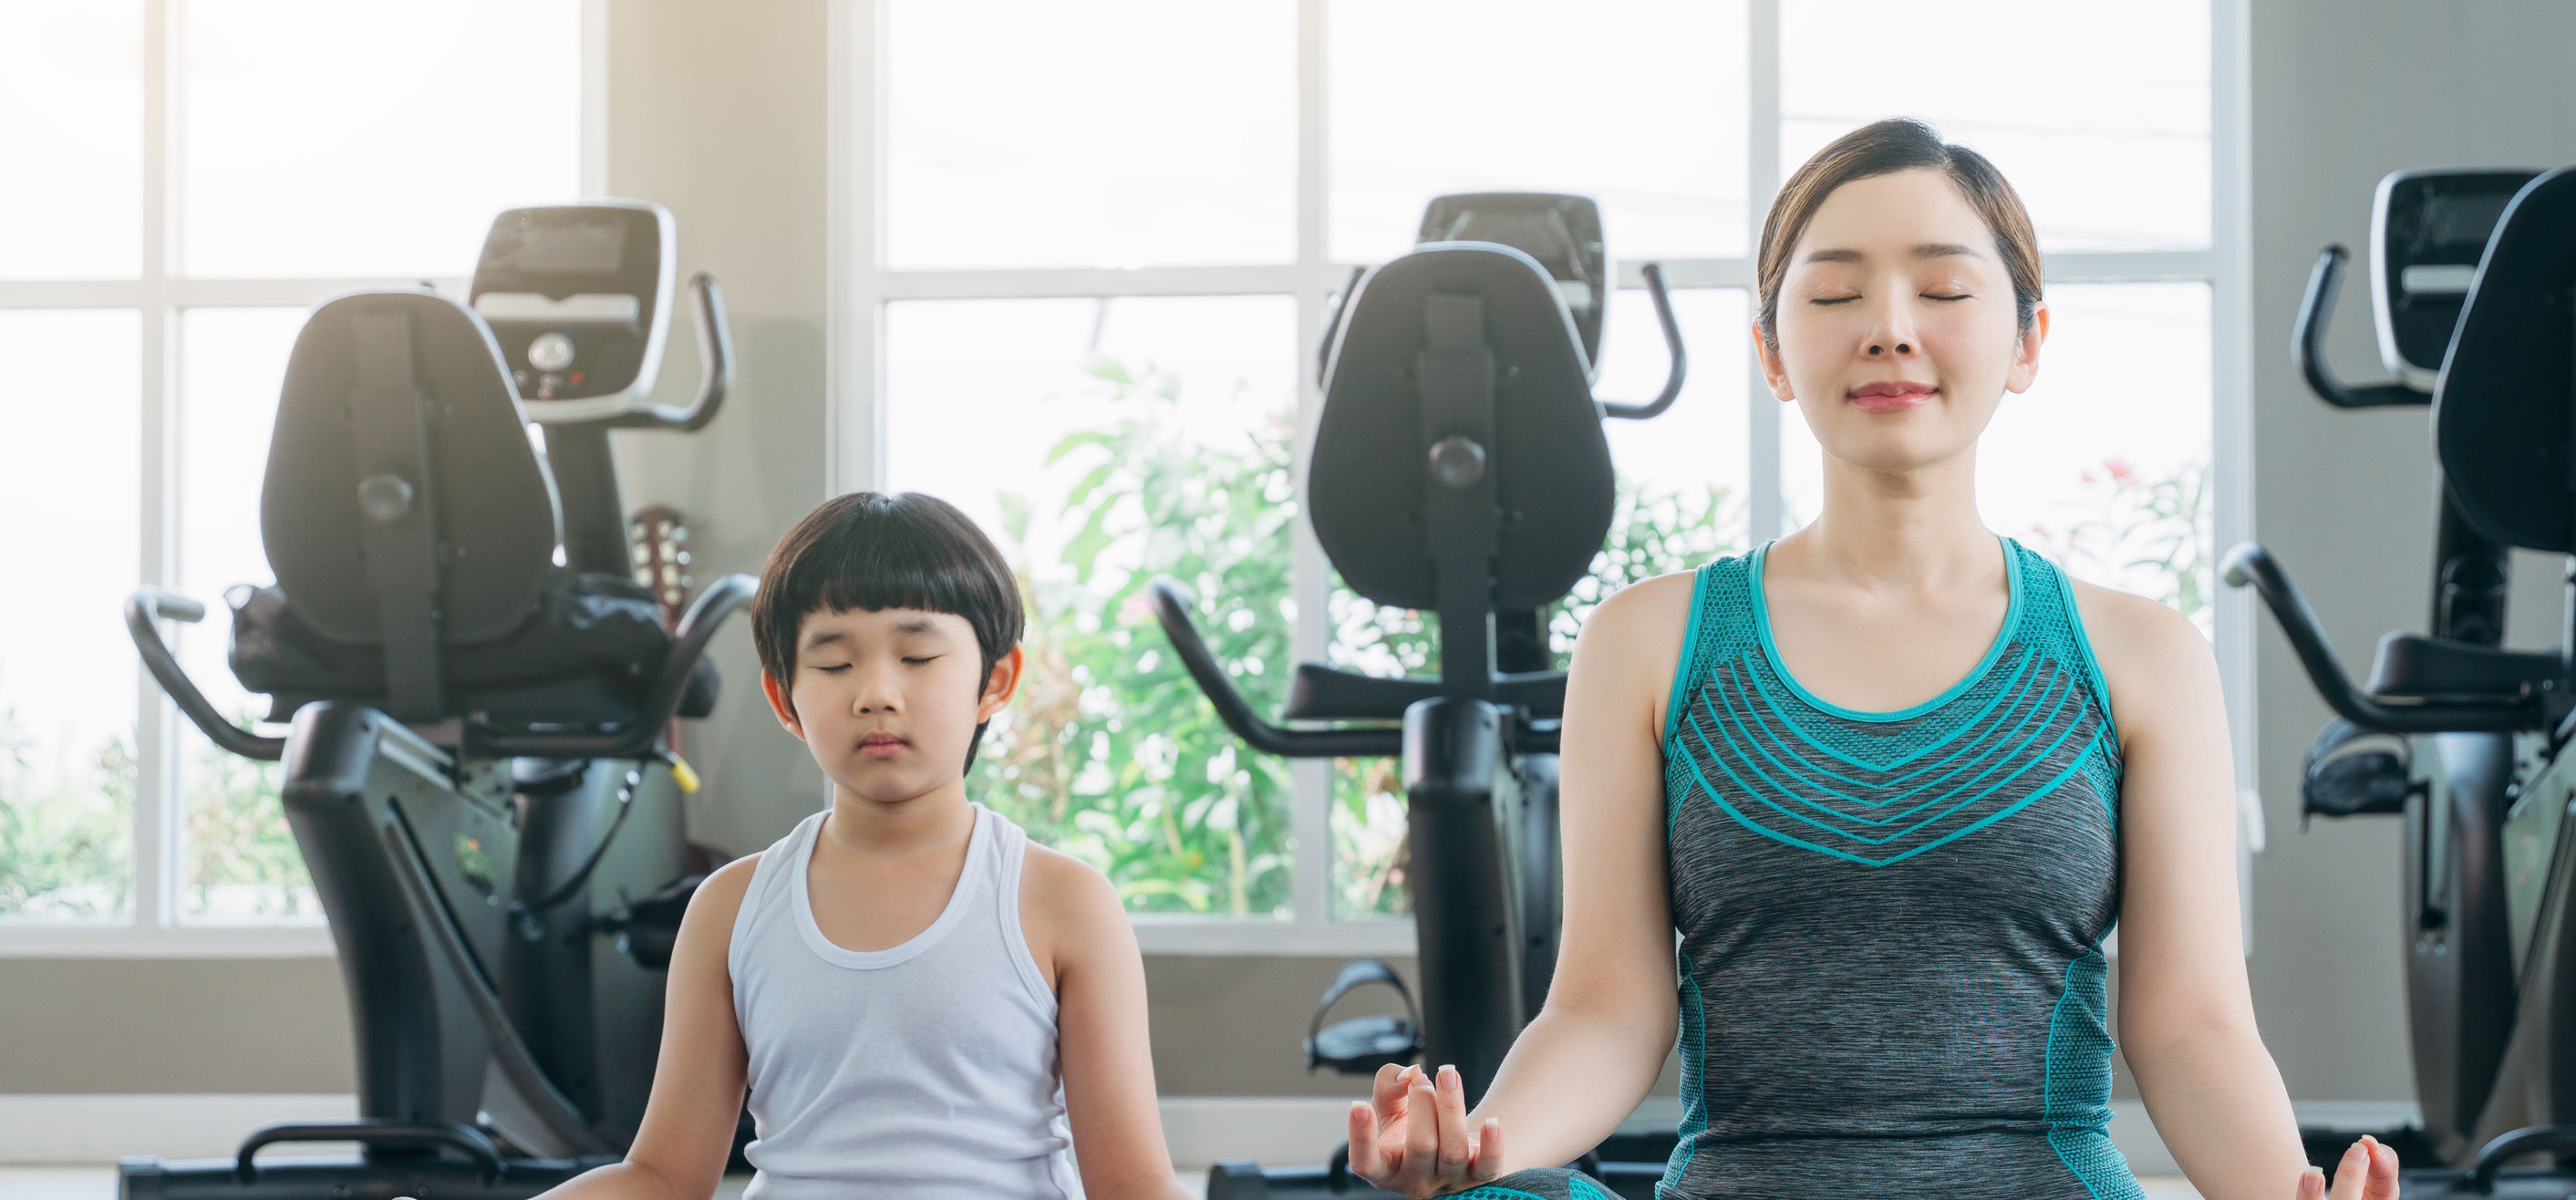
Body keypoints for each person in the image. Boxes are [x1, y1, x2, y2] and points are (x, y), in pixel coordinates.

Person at [1340, 119, 2400, 1200]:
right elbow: (1607, 1009)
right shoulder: (1649, 641)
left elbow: (2191, 1027)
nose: (1891, 329)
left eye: (1944, 291)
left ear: (2028, 341)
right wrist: (1482, 1150)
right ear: (1771, 351)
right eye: (1836, 295)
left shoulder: (2142, 654)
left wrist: (2287, 1192)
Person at [542, 491, 1193, 1200]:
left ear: (995, 681)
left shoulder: (1065, 903)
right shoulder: (729, 908)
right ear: (784, 697)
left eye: (916, 656)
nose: (876, 693)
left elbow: (1133, 1186)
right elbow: (662, 1176)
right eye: (833, 664)